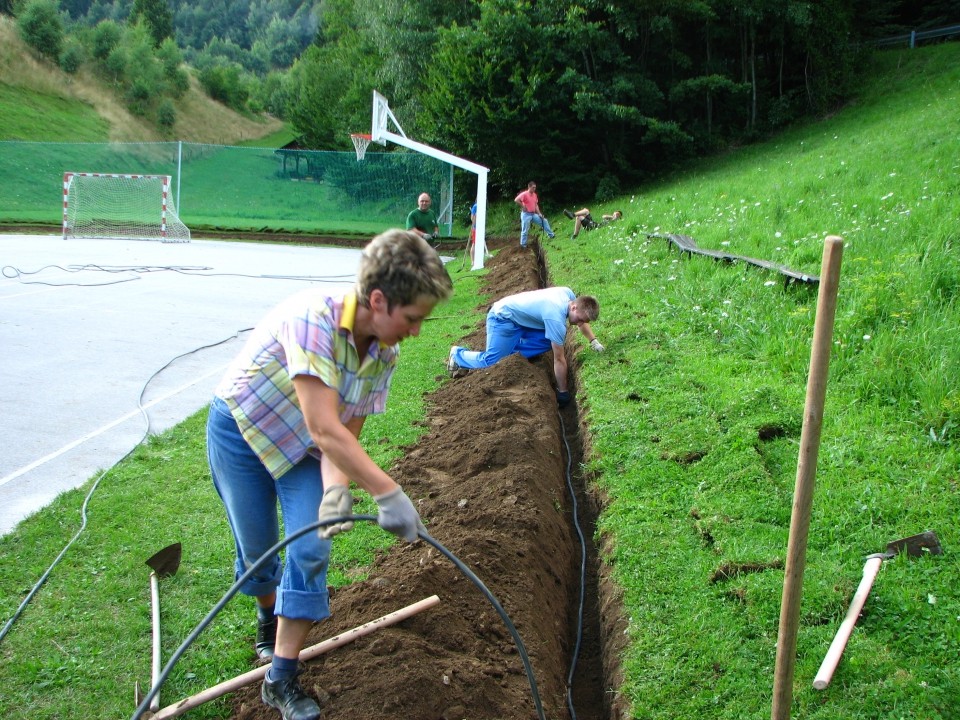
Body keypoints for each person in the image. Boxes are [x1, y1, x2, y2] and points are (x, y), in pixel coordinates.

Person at [206, 229, 453, 720]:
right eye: (413, 318)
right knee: (259, 558)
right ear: (378, 300)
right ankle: (266, 611)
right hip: (243, 433)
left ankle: (280, 677)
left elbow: (343, 432)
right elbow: (324, 426)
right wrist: (388, 492)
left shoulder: (384, 351)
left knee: (312, 546)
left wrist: (336, 492)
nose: (416, 331)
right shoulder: (312, 317)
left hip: (305, 450)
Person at [447, 287, 604, 408]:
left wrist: (593, 341)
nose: (579, 323)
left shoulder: (568, 294)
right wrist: (563, 392)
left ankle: (509, 350)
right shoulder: (555, 317)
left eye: (584, 321)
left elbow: (581, 323)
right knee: (492, 362)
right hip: (503, 318)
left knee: (553, 339)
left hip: (523, 319)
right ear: (574, 308)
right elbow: (559, 359)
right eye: (579, 319)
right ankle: (458, 355)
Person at [514, 181, 556, 247]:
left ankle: (551, 235)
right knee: (525, 229)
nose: (534, 189)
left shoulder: (535, 195)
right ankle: (523, 245)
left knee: (544, 221)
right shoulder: (524, 194)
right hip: (526, 214)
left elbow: (536, 205)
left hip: (533, 214)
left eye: (535, 188)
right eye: (533, 187)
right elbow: (516, 200)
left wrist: (539, 213)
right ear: (529, 187)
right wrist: (523, 206)